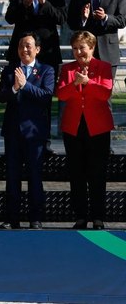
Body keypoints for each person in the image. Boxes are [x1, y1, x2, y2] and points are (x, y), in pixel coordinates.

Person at [56, 30, 115, 230]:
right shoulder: (67, 69)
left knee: (97, 173)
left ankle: (98, 216)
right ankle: (80, 216)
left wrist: (88, 82)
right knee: (77, 174)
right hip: (74, 128)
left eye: (82, 47)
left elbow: (105, 92)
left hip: (97, 127)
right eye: (75, 48)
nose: (78, 52)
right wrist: (75, 83)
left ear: (92, 48)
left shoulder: (103, 67)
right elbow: (62, 95)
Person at [0, 33, 54, 229]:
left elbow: (46, 96)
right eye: (21, 46)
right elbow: (2, 97)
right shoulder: (10, 70)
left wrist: (25, 86)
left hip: (34, 132)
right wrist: (14, 88)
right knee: (12, 177)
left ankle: (35, 218)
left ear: (37, 49)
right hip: (13, 132)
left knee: (34, 177)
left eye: (28, 46)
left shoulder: (46, 70)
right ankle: (12, 218)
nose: (24, 50)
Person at [4, 0, 66, 71]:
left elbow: (61, 19)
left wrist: (45, 4)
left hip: (48, 51)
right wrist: (23, 5)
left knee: (48, 88)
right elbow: (9, 18)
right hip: (22, 51)